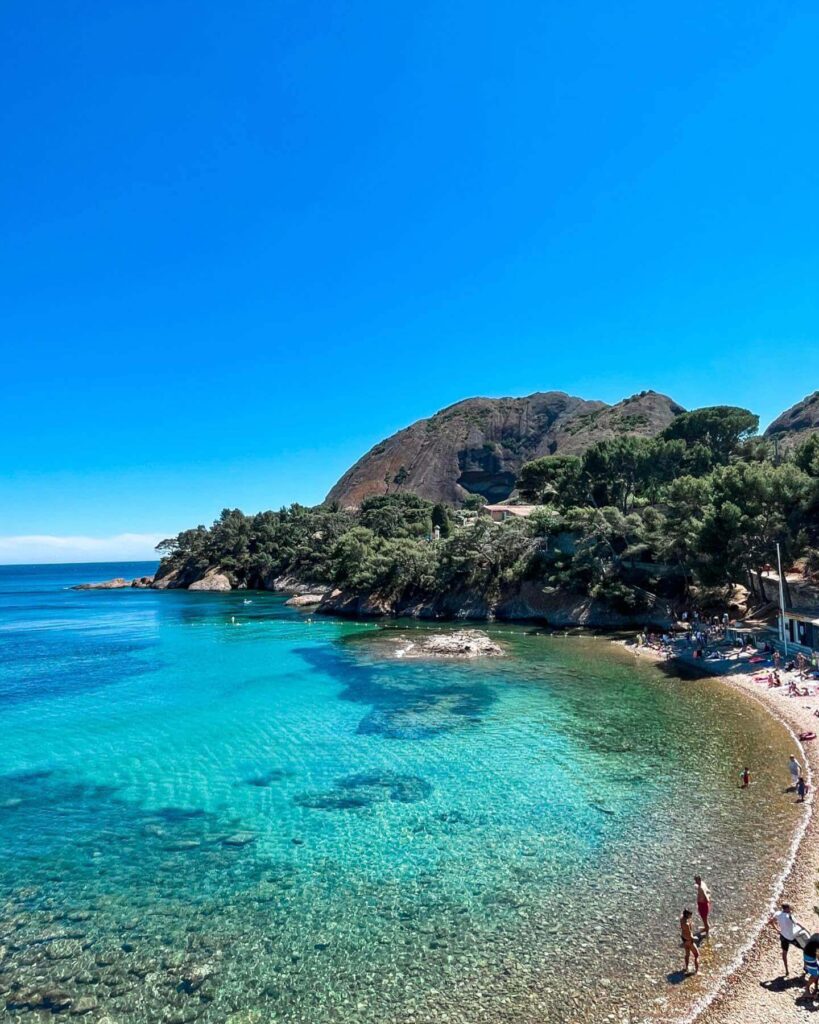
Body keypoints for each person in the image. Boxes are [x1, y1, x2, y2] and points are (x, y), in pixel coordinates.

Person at [770, 902, 805, 976]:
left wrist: (777, 929)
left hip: (783, 936)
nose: (790, 909)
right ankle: (805, 967)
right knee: (805, 949)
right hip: (791, 938)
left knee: (784, 953)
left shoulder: (777, 913)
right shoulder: (789, 916)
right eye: (789, 908)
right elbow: (797, 923)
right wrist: (805, 928)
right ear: (786, 908)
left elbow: (771, 921)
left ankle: (786, 970)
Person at [680, 909, 699, 974]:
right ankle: (696, 971)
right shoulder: (687, 924)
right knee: (696, 955)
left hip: (683, 938)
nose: (691, 916)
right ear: (687, 915)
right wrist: (695, 938)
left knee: (687, 954)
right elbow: (689, 934)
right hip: (689, 940)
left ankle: (686, 967)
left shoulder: (682, 919)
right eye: (690, 915)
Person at [803, 933, 819, 999]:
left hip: (808, 953)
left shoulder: (816, 935)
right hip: (809, 957)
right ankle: (806, 991)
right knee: (815, 975)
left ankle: (816, 987)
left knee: (817, 970)